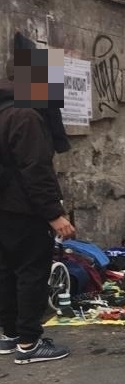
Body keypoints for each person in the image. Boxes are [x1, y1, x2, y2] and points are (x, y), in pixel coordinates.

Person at [0, 68, 76, 363]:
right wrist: (54, 214)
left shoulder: (4, 109)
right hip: (23, 209)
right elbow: (36, 170)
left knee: (6, 272)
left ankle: (9, 334)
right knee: (31, 272)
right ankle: (29, 343)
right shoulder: (26, 116)